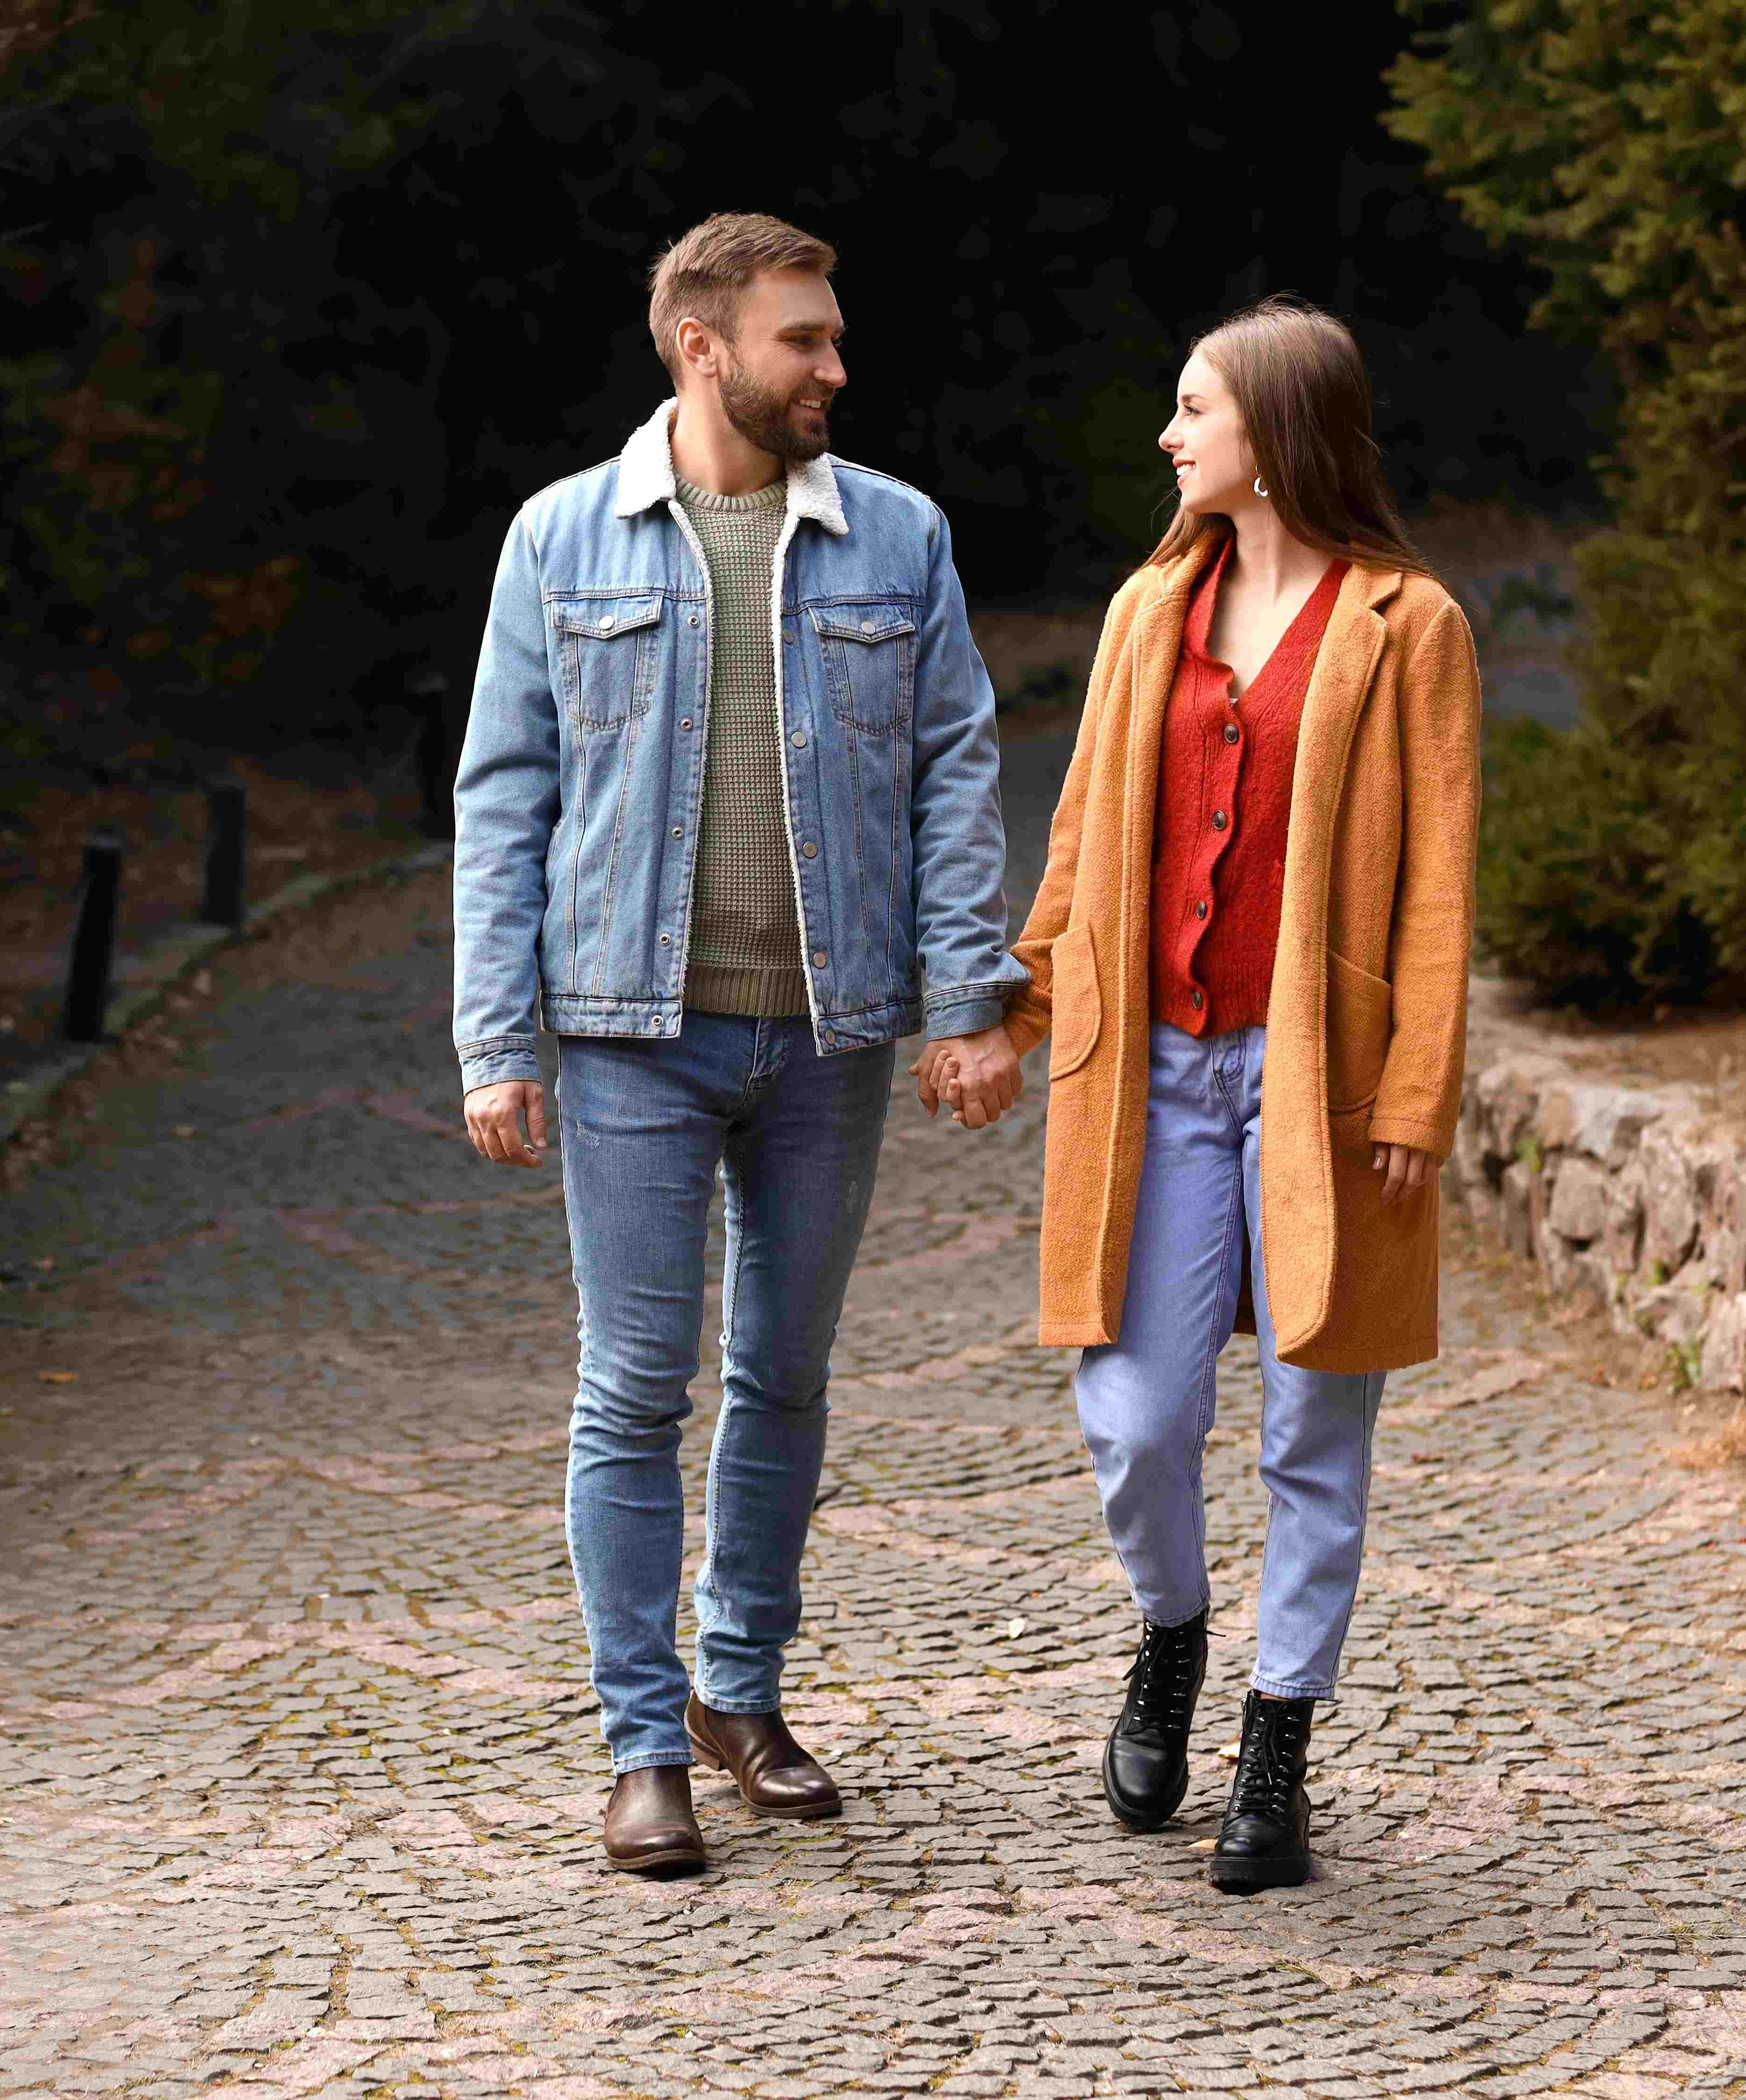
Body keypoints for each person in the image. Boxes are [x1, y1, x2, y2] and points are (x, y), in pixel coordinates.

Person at [451, 211, 1027, 1876]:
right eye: (805, 341)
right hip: (629, 1033)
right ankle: (643, 1745)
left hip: (828, 1040)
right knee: (634, 1388)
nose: (836, 366)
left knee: (785, 1377)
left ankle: (741, 1692)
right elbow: (505, 803)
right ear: (705, 348)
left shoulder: (898, 540)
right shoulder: (561, 542)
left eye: (835, 338)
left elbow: (954, 774)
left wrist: (964, 999)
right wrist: (503, 1042)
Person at [923, 295, 1480, 1892]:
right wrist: (1009, 1017)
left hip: (1327, 1079)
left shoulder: (1407, 625)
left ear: (1276, 429)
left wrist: (1415, 1100)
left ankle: (1276, 1748)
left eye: (1195, 409)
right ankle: (1171, 1631)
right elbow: (1087, 837)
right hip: (1151, 1070)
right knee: (1140, 1417)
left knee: (1316, 1426)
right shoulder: (1145, 608)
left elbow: (1440, 881)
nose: (1171, 437)